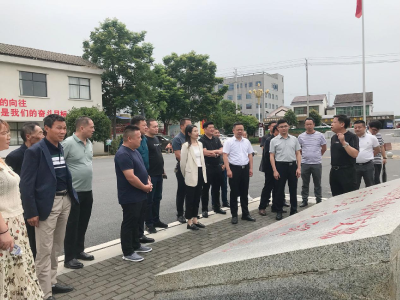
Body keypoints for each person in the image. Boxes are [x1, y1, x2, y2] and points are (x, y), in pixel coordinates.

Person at [20, 114, 78, 300]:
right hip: (47, 204)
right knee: (44, 249)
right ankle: (43, 292)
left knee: (56, 246)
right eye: (58, 128)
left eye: (64, 128)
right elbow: (26, 184)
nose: (62, 131)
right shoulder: (35, 151)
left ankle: (52, 282)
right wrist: (31, 211)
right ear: (47, 128)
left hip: (64, 200)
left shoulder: (59, 147)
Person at [0, 119, 44, 299]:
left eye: (8, 132)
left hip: (16, 223)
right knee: (9, 270)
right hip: (5, 226)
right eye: (4, 133)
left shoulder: (2, 159)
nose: (9, 136)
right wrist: (3, 232)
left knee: (20, 266)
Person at [114, 125, 153, 262]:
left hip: (141, 194)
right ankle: (128, 251)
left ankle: (136, 244)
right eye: (139, 137)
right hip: (130, 196)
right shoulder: (123, 153)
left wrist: (148, 181)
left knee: (138, 221)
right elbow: (130, 177)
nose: (141, 139)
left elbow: (141, 169)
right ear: (129, 138)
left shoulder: (134, 151)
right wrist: (144, 187)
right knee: (129, 223)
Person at [5, 122, 44, 258]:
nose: (43, 136)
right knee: (28, 239)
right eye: (40, 133)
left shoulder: (41, 152)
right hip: (22, 205)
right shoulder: (14, 157)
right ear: (29, 136)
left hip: (40, 201)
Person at [62, 117, 96, 269]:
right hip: (73, 191)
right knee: (72, 225)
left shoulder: (89, 143)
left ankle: (79, 250)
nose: (93, 129)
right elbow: (60, 165)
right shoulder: (68, 143)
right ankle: (69, 257)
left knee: (83, 222)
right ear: (82, 128)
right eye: (91, 127)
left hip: (87, 190)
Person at [223, 122, 255, 224]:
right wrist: (228, 170)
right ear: (233, 131)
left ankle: (245, 214)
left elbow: (250, 155)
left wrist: (251, 168)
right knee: (234, 193)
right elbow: (225, 156)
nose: (240, 131)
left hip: (245, 168)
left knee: (244, 192)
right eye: (238, 130)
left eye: (242, 129)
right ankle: (234, 215)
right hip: (234, 169)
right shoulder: (229, 142)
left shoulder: (246, 141)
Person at [270, 119, 302, 220]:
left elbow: (298, 153)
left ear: (288, 127)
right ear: (278, 128)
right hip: (280, 166)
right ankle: (279, 211)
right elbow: (272, 156)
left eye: (285, 126)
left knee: (293, 189)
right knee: (279, 190)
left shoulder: (294, 139)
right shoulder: (274, 140)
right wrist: (274, 170)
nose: (284, 128)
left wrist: (298, 167)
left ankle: (294, 210)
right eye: (281, 127)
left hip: (292, 166)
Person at [130, 115, 154, 244]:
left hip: (145, 176)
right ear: (135, 126)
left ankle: (140, 234)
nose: (146, 127)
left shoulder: (143, 139)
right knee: (135, 212)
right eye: (143, 125)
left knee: (143, 208)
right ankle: (134, 239)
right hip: (135, 179)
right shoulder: (129, 144)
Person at [180, 125, 207, 230]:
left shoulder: (200, 144)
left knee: (197, 197)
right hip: (191, 174)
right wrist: (186, 174)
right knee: (190, 198)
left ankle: (195, 219)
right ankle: (189, 221)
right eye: (195, 131)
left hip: (200, 172)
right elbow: (183, 163)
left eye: (197, 131)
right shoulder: (186, 145)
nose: (197, 133)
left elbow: (202, 160)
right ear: (189, 133)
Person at [145, 119, 168, 234]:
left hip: (159, 174)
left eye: (157, 126)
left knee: (157, 199)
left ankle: (156, 220)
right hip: (151, 175)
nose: (156, 128)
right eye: (154, 126)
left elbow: (158, 155)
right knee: (149, 201)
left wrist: (163, 170)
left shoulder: (156, 139)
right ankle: (149, 224)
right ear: (147, 128)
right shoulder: (144, 140)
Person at [298, 118, 327, 207]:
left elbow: (324, 147)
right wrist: (305, 156)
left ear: (314, 124)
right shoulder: (301, 136)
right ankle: (304, 200)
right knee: (305, 184)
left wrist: (318, 155)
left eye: (310, 124)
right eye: (307, 124)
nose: (309, 126)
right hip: (305, 163)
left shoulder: (320, 135)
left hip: (316, 163)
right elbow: (299, 150)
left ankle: (318, 200)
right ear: (305, 125)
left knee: (317, 183)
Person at [199, 121, 226, 218]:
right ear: (205, 129)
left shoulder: (216, 139)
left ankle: (217, 207)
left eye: (213, 127)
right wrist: (216, 152)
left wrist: (215, 152)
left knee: (216, 188)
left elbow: (222, 150)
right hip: (207, 167)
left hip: (217, 167)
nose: (212, 129)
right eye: (210, 127)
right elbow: (205, 152)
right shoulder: (202, 140)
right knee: (205, 189)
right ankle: (205, 209)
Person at [329, 115, 359, 196]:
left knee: (349, 197)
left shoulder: (352, 137)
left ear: (342, 124)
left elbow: (354, 154)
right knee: (336, 197)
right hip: (334, 172)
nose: (332, 124)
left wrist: (343, 142)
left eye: (334, 122)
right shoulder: (333, 137)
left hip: (347, 172)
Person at [172, 118, 192, 223]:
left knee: (191, 192)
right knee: (182, 192)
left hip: (192, 169)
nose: (190, 127)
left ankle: (190, 213)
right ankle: (180, 214)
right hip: (182, 169)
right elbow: (179, 156)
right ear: (182, 126)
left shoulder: (191, 138)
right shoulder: (177, 139)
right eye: (188, 125)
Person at [258, 125, 279, 216]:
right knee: (268, 187)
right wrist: (273, 168)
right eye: (279, 130)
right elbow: (267, 155)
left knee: (278, 187)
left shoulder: (281, 140)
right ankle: (262, 207)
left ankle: (275, 206)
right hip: (270, 168)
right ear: (274, 131)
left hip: (279, 167)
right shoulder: (269, 140)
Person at [354, 120, 380, 188]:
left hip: (368, 165)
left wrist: (370, 156)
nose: (357, 129)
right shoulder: (352, 138)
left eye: (359, 127)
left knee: (370, 185)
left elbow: (377, 149)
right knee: (354, 186)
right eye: (355, 128)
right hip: (354, 166)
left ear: (365, 127)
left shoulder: (372, 137)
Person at [213, 129, 229, 208]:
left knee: (224, 186)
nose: (218, 134)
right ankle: (215, 204)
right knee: (215, 187)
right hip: (215, 167)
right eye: (216, 133)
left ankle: (225, 201)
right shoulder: (211, 143)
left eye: (218, 132)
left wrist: (225, 165)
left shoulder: (222, 143)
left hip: (223, 166)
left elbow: (226, 155)